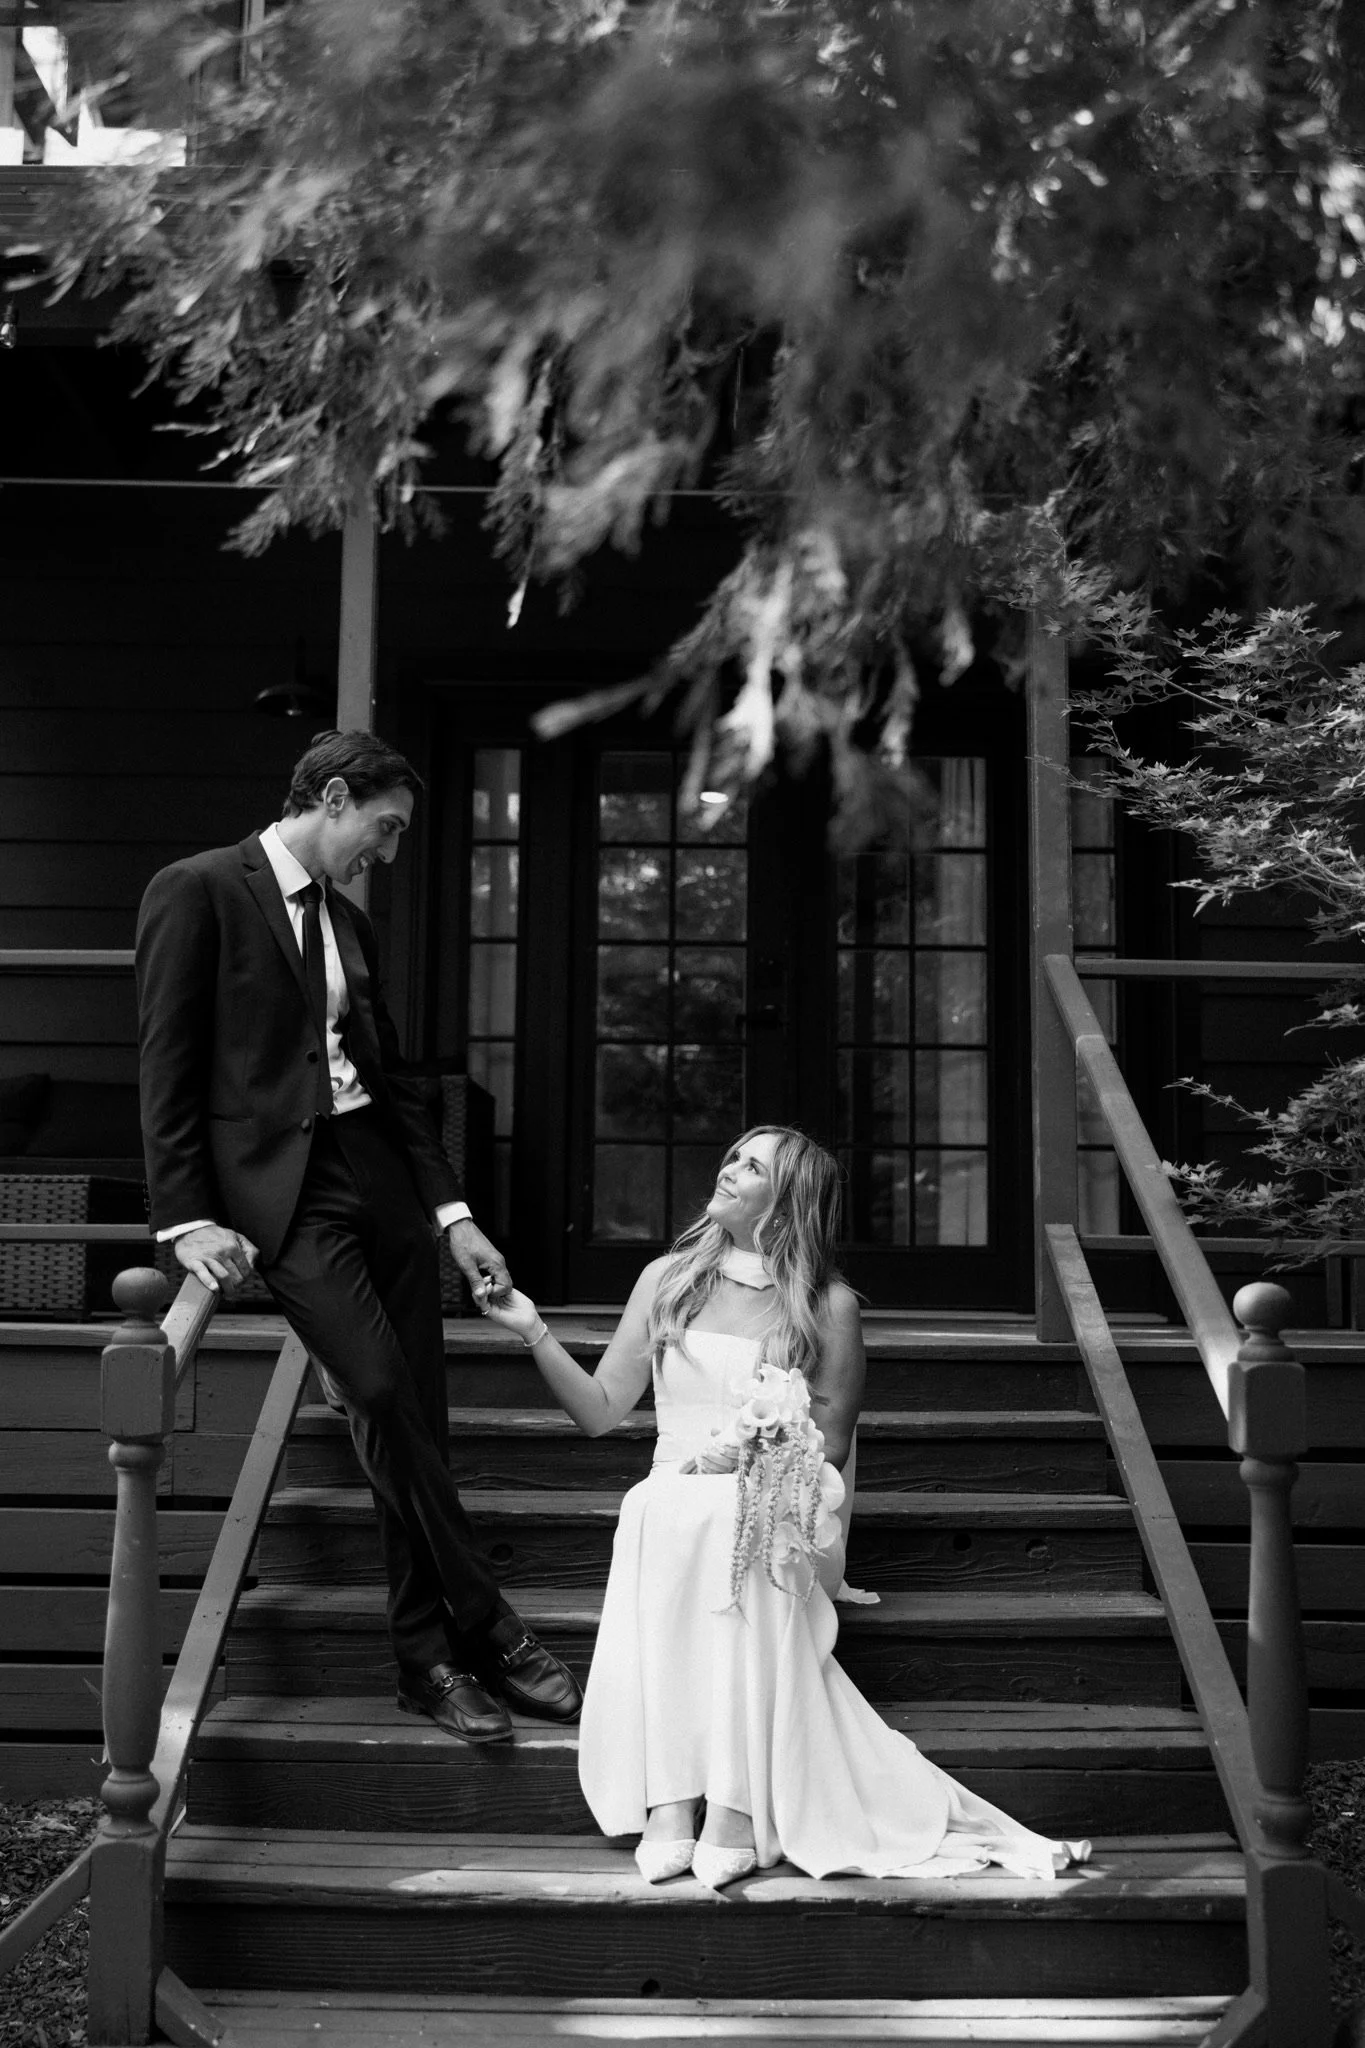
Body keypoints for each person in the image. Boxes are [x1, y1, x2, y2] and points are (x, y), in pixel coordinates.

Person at [480, 1124, 1089, 1887]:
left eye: (751, 1164)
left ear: (789, 1196)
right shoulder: (666, 1279)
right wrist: (531, 1328)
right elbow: (603, 1411)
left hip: (776, 1501)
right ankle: (669, 1799)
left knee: (725, 1517)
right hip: (675, 1493)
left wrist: (754, 1453)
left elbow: (829, 1444)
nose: (728, 1170)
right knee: (655, 1505)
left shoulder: (827, 1307)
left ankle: (733, 1804)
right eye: (732, 1156)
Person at [135, 727, 581, 1746]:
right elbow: (165, 1065)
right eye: (384, 827)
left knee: (415, 1412)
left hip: (379, 1182)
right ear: (332, 797)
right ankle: (492, 1622)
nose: (388, 852)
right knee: (374, 1388)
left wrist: (454, 1215)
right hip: (281, 1199)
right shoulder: (197, 888)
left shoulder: (352, 928)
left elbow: (393, 1084)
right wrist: (188, 1218)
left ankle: (426, 1662)